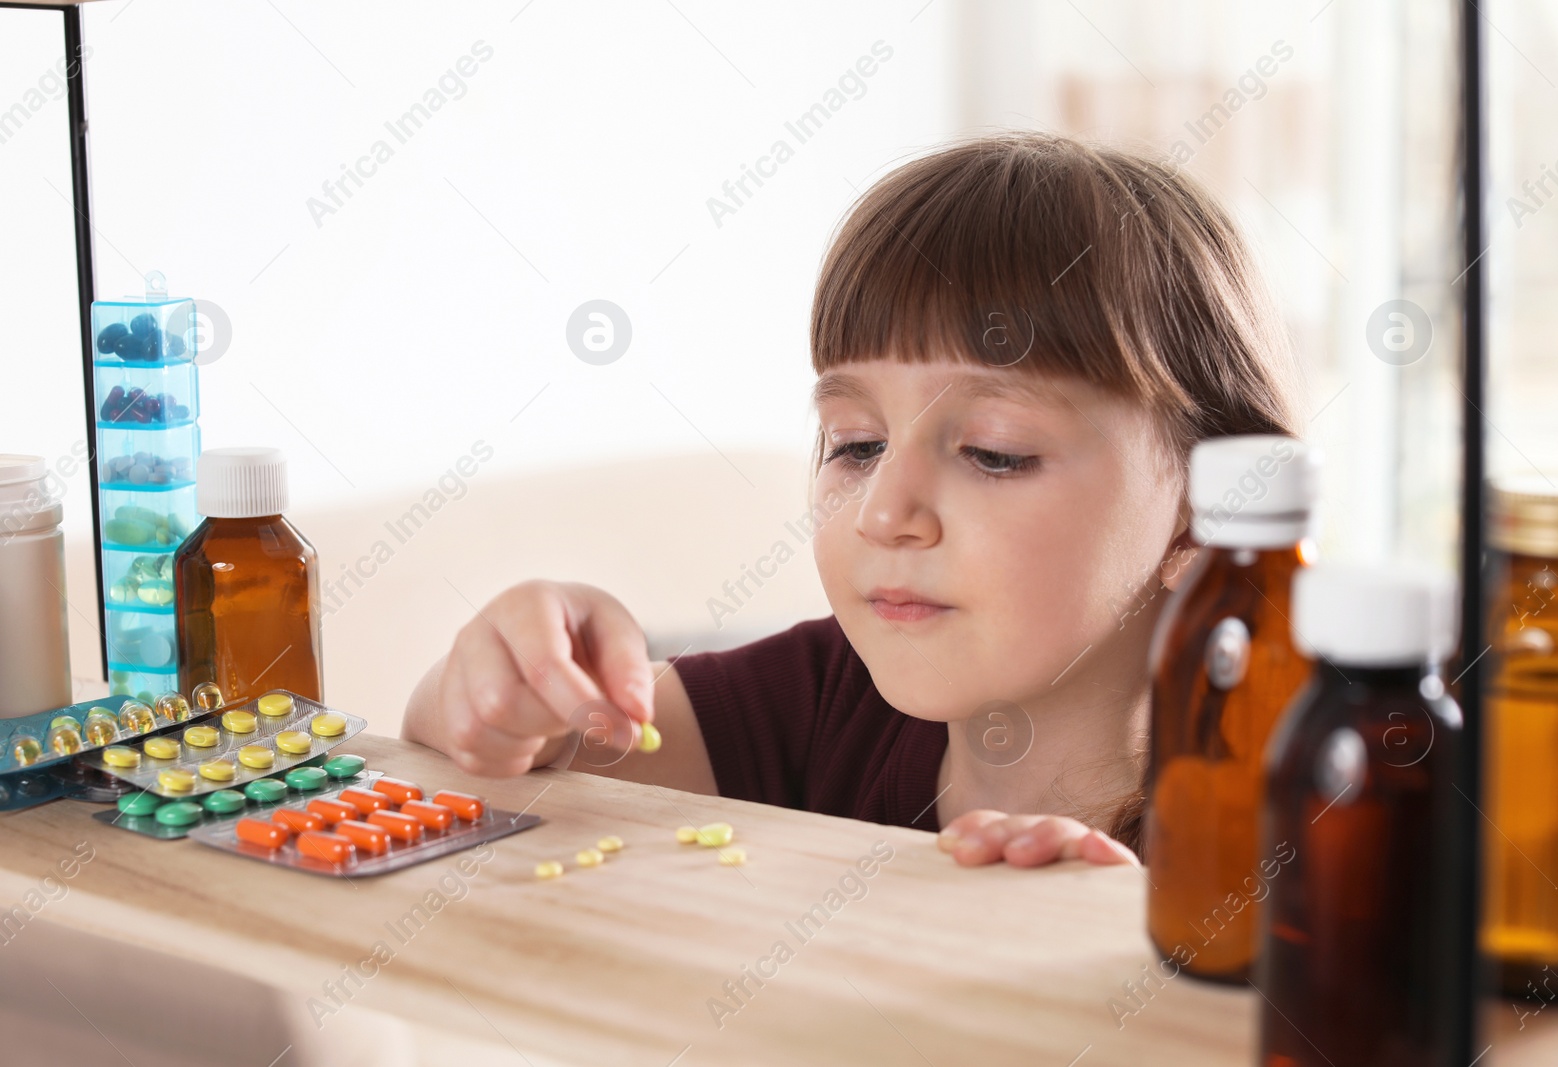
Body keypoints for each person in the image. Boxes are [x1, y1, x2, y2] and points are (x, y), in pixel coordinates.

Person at [402, 133, 1302, 868]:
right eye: (856, 445)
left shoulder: (1309, 795)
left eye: (995, 453)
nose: (882, 511)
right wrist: (502, 686)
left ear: (1208, 499)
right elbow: (504, 763)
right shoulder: (820, 698)